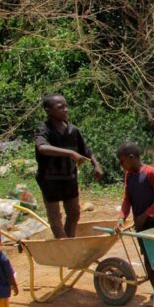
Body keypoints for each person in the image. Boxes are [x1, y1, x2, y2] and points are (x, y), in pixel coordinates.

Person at [34, 93, 102, 238]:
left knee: (74, 212)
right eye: (60, 107)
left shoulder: (73, 131)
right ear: (48, 110)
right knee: (55, 217)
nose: (65, 109)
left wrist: (96, 165)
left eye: (66, 106)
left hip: (69, 178)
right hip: (49, 180)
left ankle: (70, 240)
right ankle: (63, 243)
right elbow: (42, 148)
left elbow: (86, 150)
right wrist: (70, 153)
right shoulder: (44, 130)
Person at [116, 142, 154, 299]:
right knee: (148, 258)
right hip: (140, 223)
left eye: (122, 161)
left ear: (131, 157)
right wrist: (122, 216)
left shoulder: (150, 173)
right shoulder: (129, 175)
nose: (121, 164)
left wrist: (145, 215)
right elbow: (127, 199)